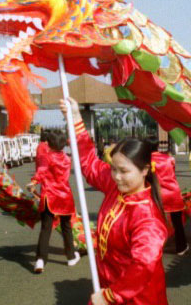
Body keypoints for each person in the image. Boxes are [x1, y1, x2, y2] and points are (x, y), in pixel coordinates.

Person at [61, 98, 169, 305]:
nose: (117, 176)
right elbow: (90, 165)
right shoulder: (116, 188)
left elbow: (144, 264)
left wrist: (111, 296)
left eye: (124, 171)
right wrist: (75, 119)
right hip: (108, 285)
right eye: (114, 168)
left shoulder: (148, 218)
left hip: (138, 297)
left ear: (145, 170)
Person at [27, 130, 79, 273]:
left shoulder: (47, 157)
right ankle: (70, 257)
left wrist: (33, 182)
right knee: (66, 227)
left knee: (46, 229)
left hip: (50, 196)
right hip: (65, 197)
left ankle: (40, 260)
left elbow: (42, 171)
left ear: (48, 144)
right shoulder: (68, 159)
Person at [146, 136, 189, 256]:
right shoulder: (169, 158)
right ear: (157, 146)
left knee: (154, 222)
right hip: (173, 193)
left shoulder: (146, 161)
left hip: (156, 194)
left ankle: (154, 248)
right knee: (177, 222)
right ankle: (181, 247)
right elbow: (172, 173)